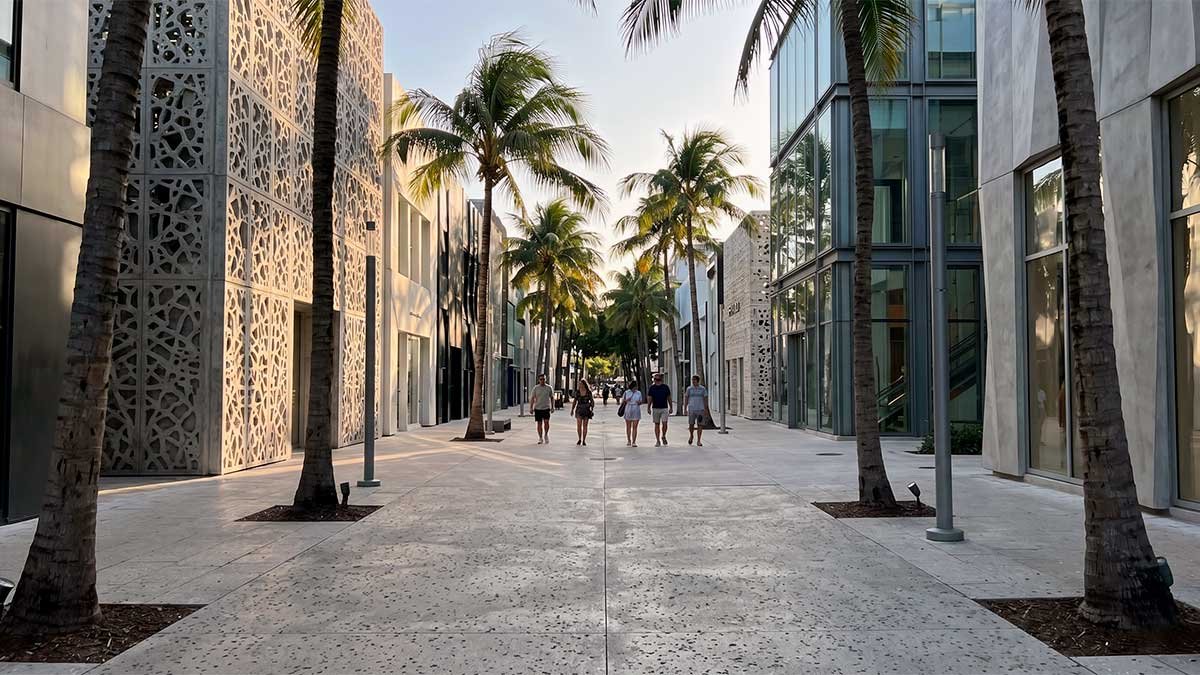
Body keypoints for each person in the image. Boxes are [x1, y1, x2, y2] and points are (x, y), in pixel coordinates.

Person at [646, 373, 673, 447]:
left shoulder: (665, 387)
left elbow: (669, 397)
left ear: (661, 380)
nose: (657, 381)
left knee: (665, 423)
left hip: (664, 408)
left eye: (658, 379)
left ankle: (663, 435)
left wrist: (671, 407)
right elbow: (649, 398)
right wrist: (648, 407)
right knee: (656, 424)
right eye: (655, 379)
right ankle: (657, 440)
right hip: (655, 408)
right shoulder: (652, 388)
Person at [530, 374, 554, 444]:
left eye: (543, 379)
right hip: (538, 408)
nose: (542, 381)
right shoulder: (535, 388)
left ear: (546, 379)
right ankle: (540, 437)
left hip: (546, 408)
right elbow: (532, 398)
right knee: (539, 424)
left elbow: (552, 398)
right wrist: (531, 408)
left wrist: (553, 407)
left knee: (546, 422)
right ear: (538, 380)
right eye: (541, 379)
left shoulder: (549, 388)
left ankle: (546, 435)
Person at [686, 375, 709, 447]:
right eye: (692, 380)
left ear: (697, 381)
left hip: (700, 409)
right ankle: (691, 435)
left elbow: (705, 399)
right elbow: (686, 398)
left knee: (700, 425)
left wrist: (705, 409)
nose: (693, 381)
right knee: (691, 424)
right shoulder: (689, 389)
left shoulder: (702, 389)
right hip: (691, 409)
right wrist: (685, 408)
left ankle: (699, 440)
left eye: (694, 380)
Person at [571, 379, 595, 446]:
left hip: (586, 409)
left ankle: (584, 440)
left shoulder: (588, 392)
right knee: (579, 425)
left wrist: (592, 408)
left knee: (585, 426)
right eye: (579, 384)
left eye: (581, 384)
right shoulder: (578, 392)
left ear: (584, 384)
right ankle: (579, 439)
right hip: (579, 409)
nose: (580, 385)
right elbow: (575, 401)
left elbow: (592, 401)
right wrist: (572, 409)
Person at [621, 380, 645, 447]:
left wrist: (639, 402)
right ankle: (629, 440)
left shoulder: (639, 393)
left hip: (636, 409)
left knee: (635, 427)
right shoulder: (626, 392)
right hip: (628, 409)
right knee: (628, 426)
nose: (635, 388)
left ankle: (634, 441)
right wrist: (626, 400)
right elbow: (623, 401)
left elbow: (641, 401)